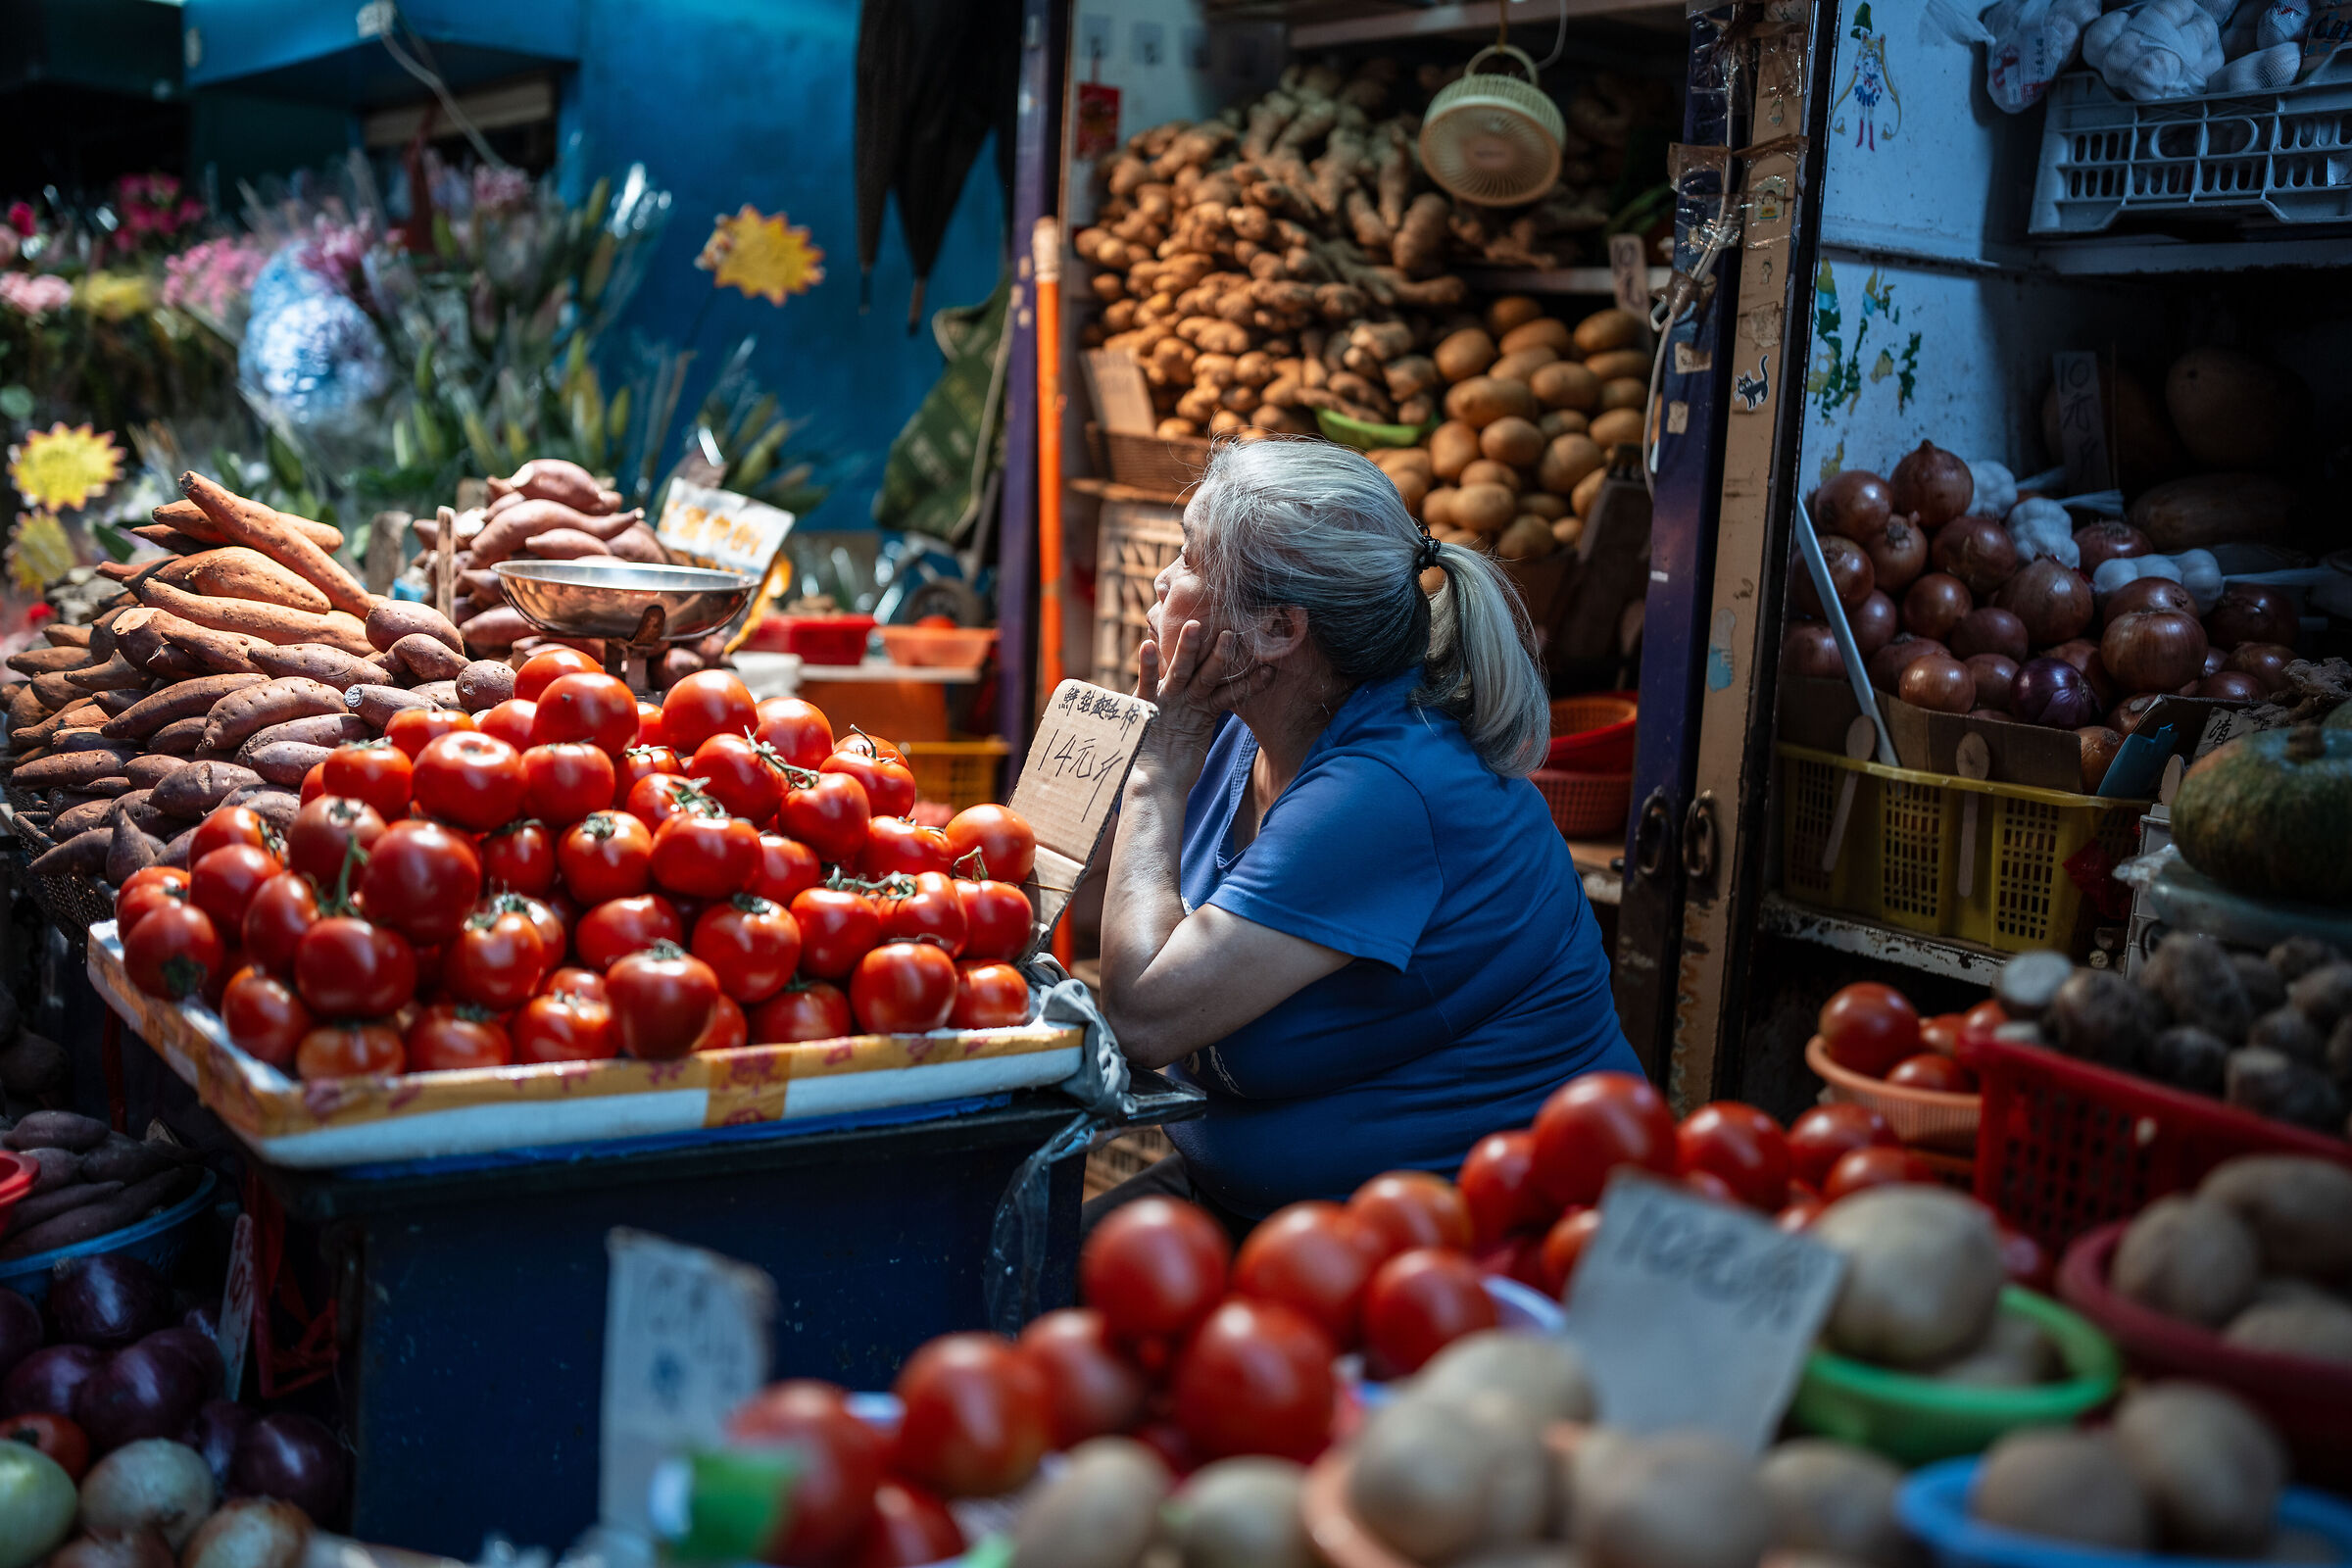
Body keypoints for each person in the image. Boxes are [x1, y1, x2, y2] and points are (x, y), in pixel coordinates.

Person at [1090, 434, 1641, 1235]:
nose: (1162, 577)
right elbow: (1074, 872)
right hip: (1252, 1200)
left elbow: (1143, 1018)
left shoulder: (1383, 794)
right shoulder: (1249, 721)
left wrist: (1159, 769)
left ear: (1277, 630)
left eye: (1189, 559)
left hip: (1472, 1237)